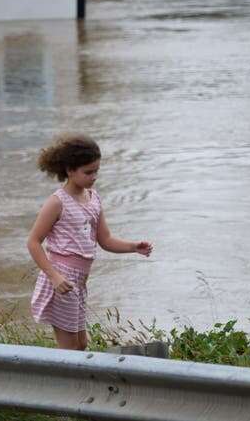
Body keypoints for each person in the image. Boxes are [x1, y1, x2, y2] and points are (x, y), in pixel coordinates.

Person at [27, 134, 153, 350]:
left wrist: (133, 247)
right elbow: (33, 242)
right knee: (70, 348)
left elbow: (105, 240)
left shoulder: (93, 198)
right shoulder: (57, 202)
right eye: (88, 172)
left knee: (81, 344)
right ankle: (61, 382)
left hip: (80, 282)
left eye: (96, 171)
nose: (94, 176)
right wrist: (55, 277)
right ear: (69, 170)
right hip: (61, 281)